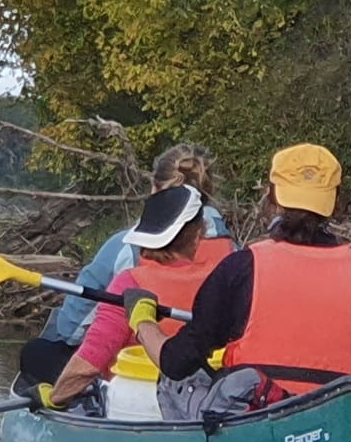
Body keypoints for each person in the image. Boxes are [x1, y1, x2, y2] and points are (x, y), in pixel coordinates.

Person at [128, 143, 351, 415]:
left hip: (255, 415)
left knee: (176, 382)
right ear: (336, 204)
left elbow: (174, 363)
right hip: (336, 415)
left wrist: (142, 321)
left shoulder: (240, 268)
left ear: (272, 197)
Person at [18, 143, 234, 385]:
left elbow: (71, 329)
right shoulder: (236, 252)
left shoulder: (124, 247)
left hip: (134, 374)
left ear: (154, 188)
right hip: (210, 372)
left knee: (36, 353)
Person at [33, 185, 230, 411]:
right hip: (206, 394)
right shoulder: (223, 277)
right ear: (198, 236)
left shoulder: (130, 283)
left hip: (135, 399)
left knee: (36, 353)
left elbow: (89, 365)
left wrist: (55, 398)